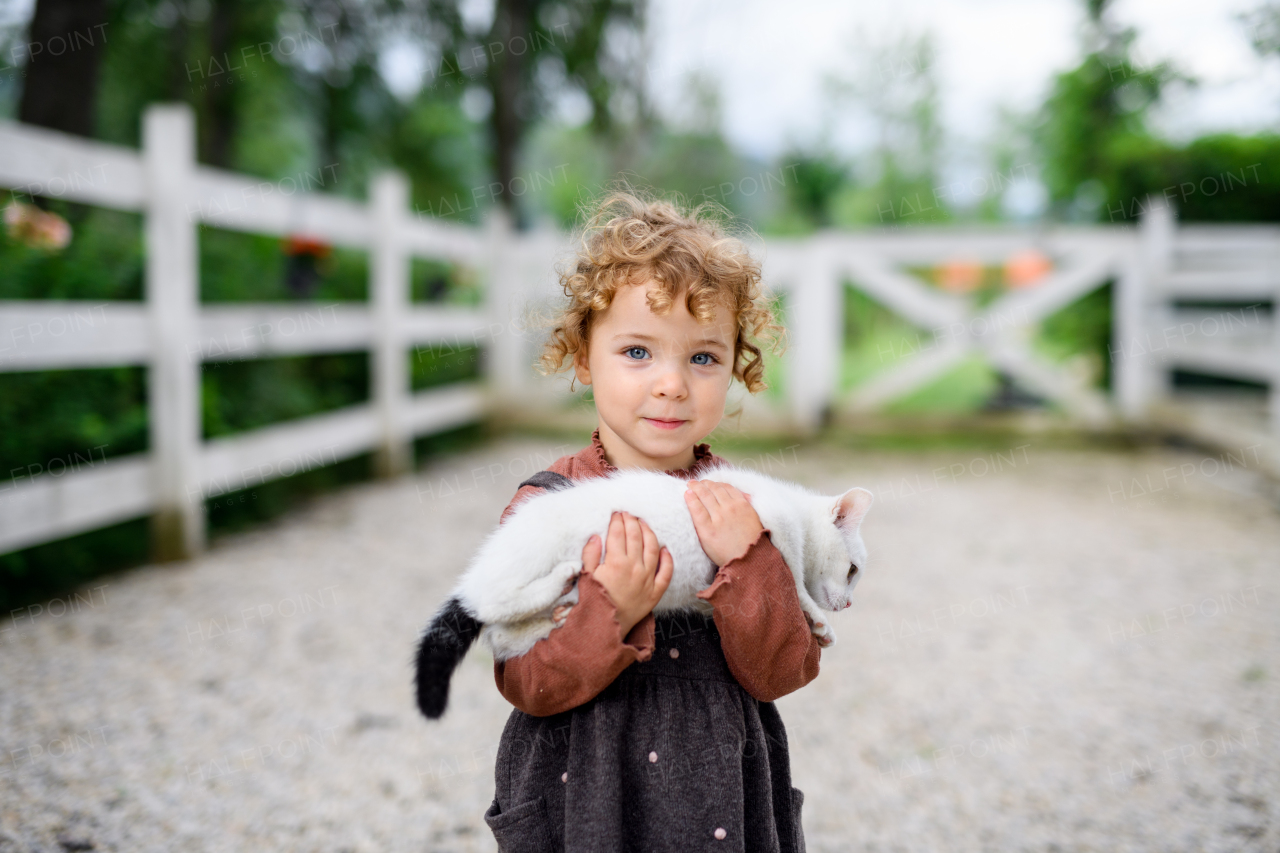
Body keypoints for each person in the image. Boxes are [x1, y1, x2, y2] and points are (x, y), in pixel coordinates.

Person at [483, 189, 820, 853]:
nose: (671, 383)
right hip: (587, 795)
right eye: (638, 352)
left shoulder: (747, 511)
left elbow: (784, 669)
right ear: (584, 356)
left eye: (702, 357)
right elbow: (524, 680)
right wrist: (608, 609)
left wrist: (747, 563)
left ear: (735, 367)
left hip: (719, 795)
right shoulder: (549, 508)